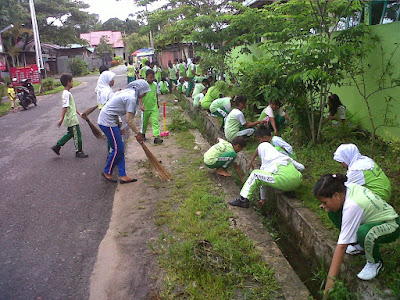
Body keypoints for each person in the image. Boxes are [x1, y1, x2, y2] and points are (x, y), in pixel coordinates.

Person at [314, 174, 399, 296]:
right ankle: (359, 245)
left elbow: (341, 247)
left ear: (336, 196)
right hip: (371, 221)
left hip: (391, 225)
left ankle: (375, 262)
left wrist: (328, 288)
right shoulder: (344, 188)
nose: (323, 206)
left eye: (325, 202)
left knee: (364, 232)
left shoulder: (352, 205)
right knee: (332, 212)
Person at [332, 143, 392, 255]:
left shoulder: (356, 169)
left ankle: (356, 241)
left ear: (347, 157)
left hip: (377, 196)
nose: (341, 164)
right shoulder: (365, 160)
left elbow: (345, 190)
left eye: (342, 161)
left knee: (346, 206)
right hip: (384, 192)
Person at [229, 126, 303, 208]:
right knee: (284, 177)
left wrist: (263, 198)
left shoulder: (266, 163)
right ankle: (289, 189)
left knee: (255, 174)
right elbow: (301, 167)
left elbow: (262, 182)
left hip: (283, 181)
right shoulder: (284, 156)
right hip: (298, 180)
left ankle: (243, 200)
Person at [97, 79, 148, 183]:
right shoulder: (131, 98)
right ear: (141, 91)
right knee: (118, 149)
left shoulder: (128, 92)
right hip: (107, 122)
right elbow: (129, 120)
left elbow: (114, 109)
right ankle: (107, 171)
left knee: (120, 148)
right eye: (145, 92)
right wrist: (138, 133)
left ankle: (123, 175)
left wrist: (119, 126)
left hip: (111, 120)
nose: (145, 94)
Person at [51, 73, 88, 158]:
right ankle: (78, 151)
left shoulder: (67, 93)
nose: (73, 83)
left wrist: (79, 113)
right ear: (68, 82)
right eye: (72, 81)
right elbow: (65, 107)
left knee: (71, 133)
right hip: (72, 119)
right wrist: (61, 119)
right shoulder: (66, 94)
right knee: (77, 135)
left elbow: (72, 106)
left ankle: (57, 146)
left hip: (72, 118)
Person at [141, 69, 163, 144]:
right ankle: (143, 134)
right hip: (145, 107)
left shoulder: (155, 85)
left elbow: (156, 94)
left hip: (154, 107)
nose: (152, 79)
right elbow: (139, 96)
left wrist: (157, 103)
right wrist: (141, 105)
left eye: (153, 77)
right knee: (144, 122)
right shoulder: (143, 85)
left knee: (155, 122)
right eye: (150, 77)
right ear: (146, 77)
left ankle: (156, 137)